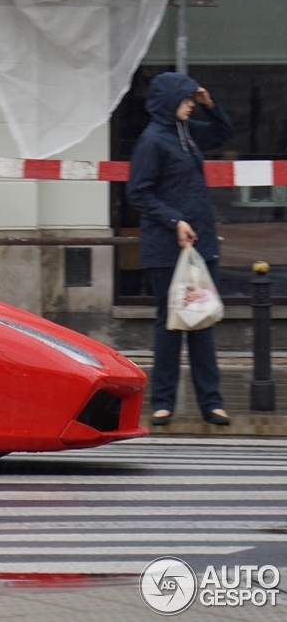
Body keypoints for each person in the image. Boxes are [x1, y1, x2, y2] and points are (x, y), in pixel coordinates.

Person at [126, 72, 234, 426]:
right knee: (170, 325)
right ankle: (162, 402)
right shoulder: (152, 141)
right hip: (167, 248)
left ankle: (211, 403)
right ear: (168, 102)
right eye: (186, 100)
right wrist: (175, 221)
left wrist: (210, 105)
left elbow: (222, 134)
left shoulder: (187, 134)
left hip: (200, 243)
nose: (190, 104)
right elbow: (138, 192)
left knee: (201, 322)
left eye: (191, 100)